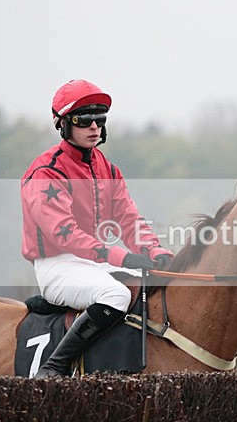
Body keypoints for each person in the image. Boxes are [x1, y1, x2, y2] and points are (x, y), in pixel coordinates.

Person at [21, 79, 173, 378]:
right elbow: (64, 234)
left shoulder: (108, 169)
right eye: (84, 120)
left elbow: (130, 220)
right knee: (115, 296)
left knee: (149, 288)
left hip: (94, 262)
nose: (94, 127)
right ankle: (54, 367)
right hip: (57, 263)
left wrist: (156, 251)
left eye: (99, 120)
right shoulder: (47, 171)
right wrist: (122, 257)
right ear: (63, 124)